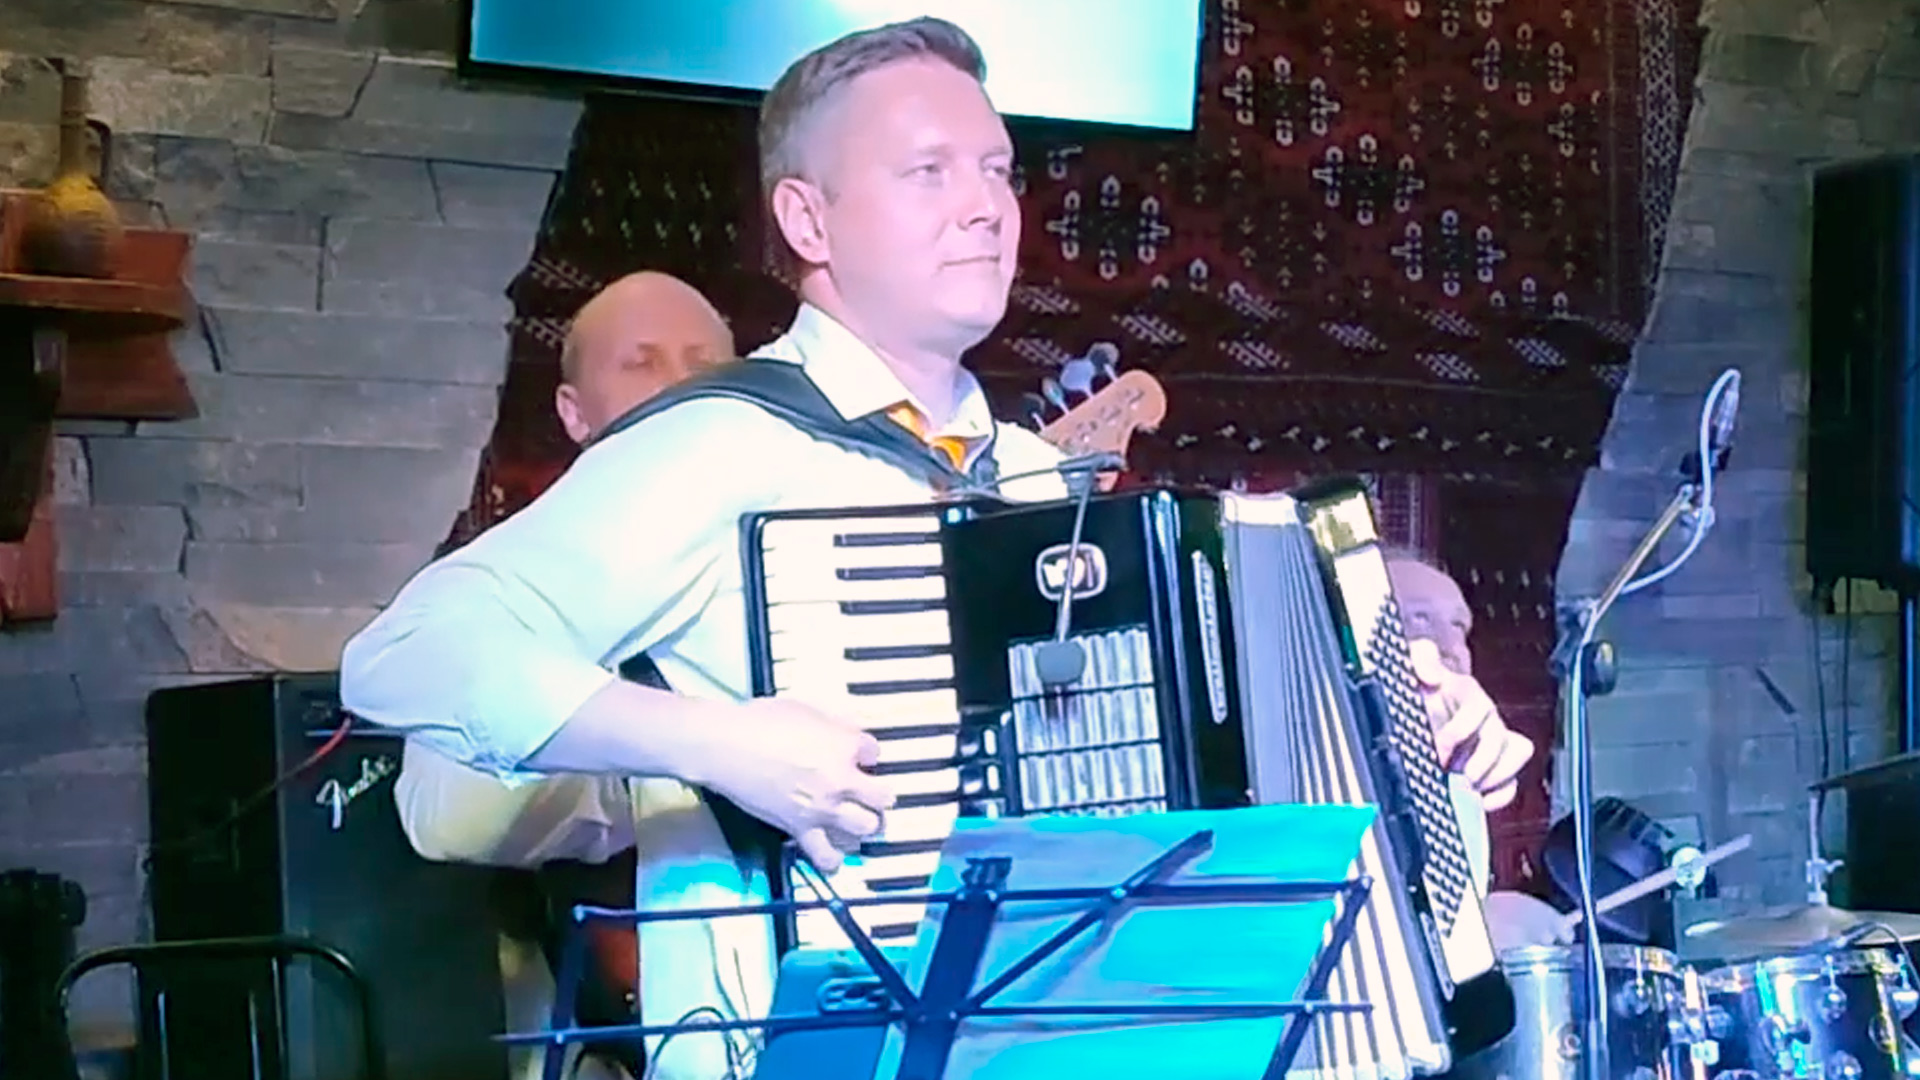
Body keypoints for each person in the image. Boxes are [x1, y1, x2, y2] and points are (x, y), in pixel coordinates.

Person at [340, 19, 1536, 1080]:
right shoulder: (719, 444)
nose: (986, 207)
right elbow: (406, 659)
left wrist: (1409, 739)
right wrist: (717, 743)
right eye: (927, 171)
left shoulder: (1034, 481)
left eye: (997, 171)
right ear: (808, 219)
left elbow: (1195, 800)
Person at [394, 271, 736, 1080]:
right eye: (642, 363)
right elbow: (441, 816)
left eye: (704, 364)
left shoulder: (811, 539)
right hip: (656, 984)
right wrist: (662, 762)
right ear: (574, 415)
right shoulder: (517, 578)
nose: (679, 386)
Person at [1386, 549, 1570, 950]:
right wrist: (1477, 921)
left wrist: (1483, 915)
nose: (1450, 647)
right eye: (1418, 619)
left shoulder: (1461, 783)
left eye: (1459, 627)